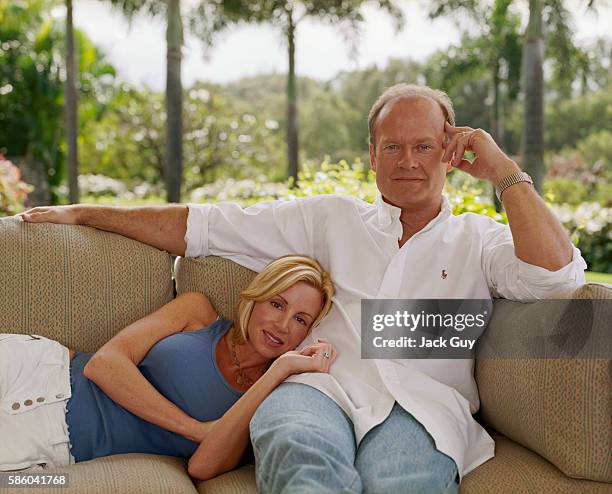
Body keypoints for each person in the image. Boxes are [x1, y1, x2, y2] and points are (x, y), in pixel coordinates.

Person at [18, 83, 587, 493]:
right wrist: (87, 213)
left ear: (449, 151)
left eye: (423, 146)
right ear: (372, 156)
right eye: (392, 146)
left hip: (422, 409)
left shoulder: (478, 240)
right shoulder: (330, 219)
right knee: (296, 448)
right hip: (320, 388)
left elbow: (556, 277)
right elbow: (204, 225)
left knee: (401, 482)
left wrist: (505, 172)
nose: (408, 161)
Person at [0, 254, 336, 481]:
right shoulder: (198, 311)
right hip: (39, 371)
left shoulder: (271, 399)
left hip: (53, 450)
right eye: (277, 304)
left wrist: (278, 372)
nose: (282, 325)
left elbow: (203, 467)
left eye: (300, 320)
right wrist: (196, 429)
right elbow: (103, 365)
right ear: (254, 299)